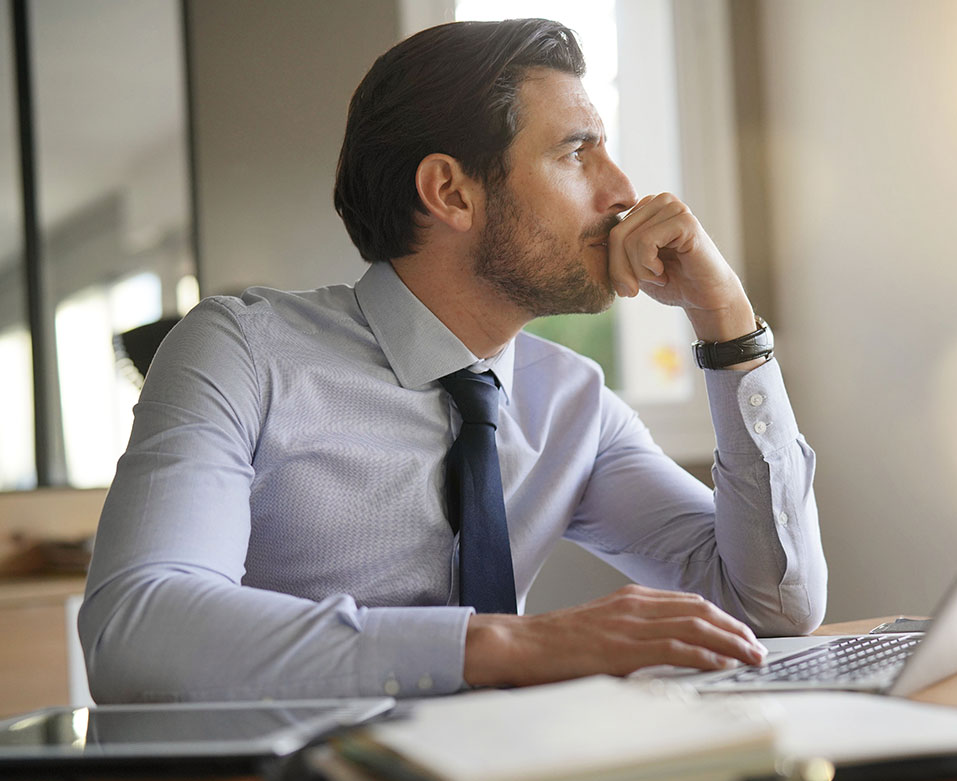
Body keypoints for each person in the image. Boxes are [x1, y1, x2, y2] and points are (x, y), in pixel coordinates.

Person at [79, 18, 826, 702]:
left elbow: (773, 605)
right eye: (575, 152)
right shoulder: (242, 353)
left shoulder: (572, 405)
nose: (624, 192)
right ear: (450, 193)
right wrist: (509, 644)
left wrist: (729, 327)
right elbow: (136, 631)